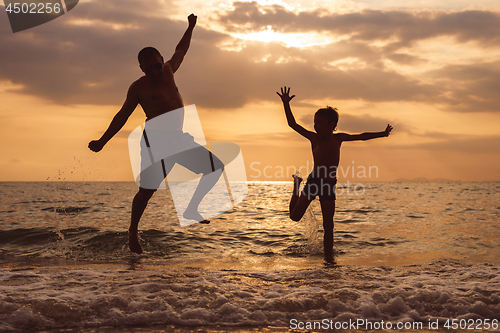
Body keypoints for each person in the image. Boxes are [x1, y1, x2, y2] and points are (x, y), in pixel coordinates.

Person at [88, 14, 223, 254]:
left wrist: (191, 26)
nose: (154, 71)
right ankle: (132, 231)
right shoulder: (138, 88)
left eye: (157, 65)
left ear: (162, 60)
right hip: (155, 143)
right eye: (148, 68)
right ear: (142, 68)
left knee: (215, 167)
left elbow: (182, 49)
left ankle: (192, 209)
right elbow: (122, 116)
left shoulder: (170, 70)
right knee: (147, 191)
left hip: (179, 139)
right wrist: (102, 140)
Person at [276, 86, 393, 261]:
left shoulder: (338, 139)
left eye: (319, 122)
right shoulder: (313, 138)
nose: (315, 126)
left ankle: (329, 260)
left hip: (329, 185)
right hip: (314, 181)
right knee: (294, 217)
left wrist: (382, 134)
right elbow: (292, 124)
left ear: (332, 125)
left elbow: (361, 136)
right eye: (314, 122)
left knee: (329, 226)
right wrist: (286, 104)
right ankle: (296, 185)